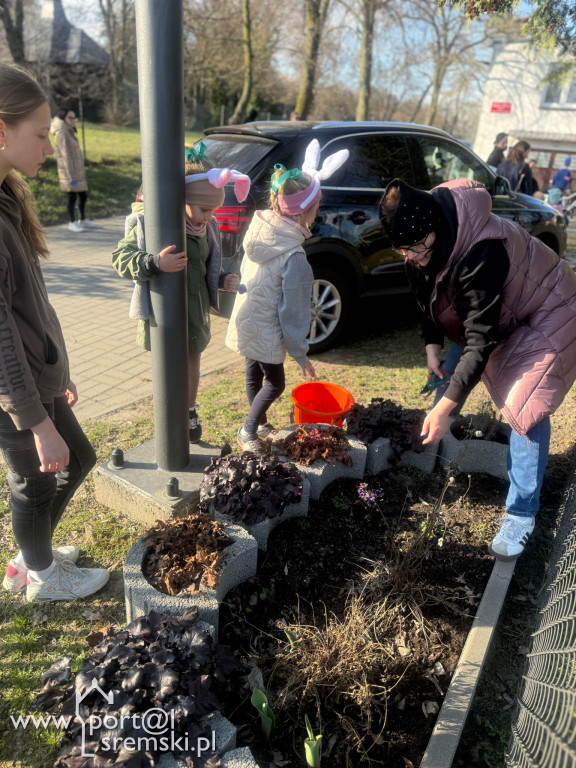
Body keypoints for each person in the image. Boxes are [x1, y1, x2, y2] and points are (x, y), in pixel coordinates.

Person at [379, 177, 576, 562]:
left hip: (549, 311)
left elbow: (480, 341)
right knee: (449, 380)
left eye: (416, 247)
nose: (411, 256)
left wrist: (444, 406)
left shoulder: (483, 251)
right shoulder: (428, 237)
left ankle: (521, 514)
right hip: (505, 310)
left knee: (525, 407)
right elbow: (433, 294)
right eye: (402, 249)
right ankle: (439, 453)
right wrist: (431, 344)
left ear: (434, 230)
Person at [0, 64, 108, 602]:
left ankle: (32, 555)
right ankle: (42, 577)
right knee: (35, 481)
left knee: (80, 459)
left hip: (35, 382)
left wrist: (56, 371)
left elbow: (28, 307)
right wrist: (36, 420)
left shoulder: (5, 199)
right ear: (1, 131)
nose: (49, 146)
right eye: (40, 134)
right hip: (15, 395)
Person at [112, 143, 248, 442]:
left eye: (213, 211)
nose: (209, 217)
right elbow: (120, 259)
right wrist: (155, 262)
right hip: (166, 316)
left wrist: (223, 279)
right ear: (183, 199)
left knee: (192, 366)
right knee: (167, 367)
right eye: (204, 209)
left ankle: (188, 410)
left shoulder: (205, 229)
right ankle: (168, 414)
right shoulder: (152, 225)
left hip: (195, 312)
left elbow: (205, 267)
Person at [225, 139, 348, 453]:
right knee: (276, 383)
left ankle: (261, 422)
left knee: (254, 369)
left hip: (247, 319)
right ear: (308, 211)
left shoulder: (260, 231)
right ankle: (248, 431)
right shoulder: (294, 257)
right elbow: (292, 312)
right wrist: (300, 352)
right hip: (266, 326)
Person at [50, 107, 94, 233]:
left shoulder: (68, 130)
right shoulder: (62, 132)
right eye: (70, 117)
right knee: (72, 196)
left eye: (74, 117)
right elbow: (65, 156)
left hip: (77, 171)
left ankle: (82, 219)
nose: (73, 120)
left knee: (83, 195)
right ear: (64, 118)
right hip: (70, 172)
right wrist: (71, 177)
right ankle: (72, 222)